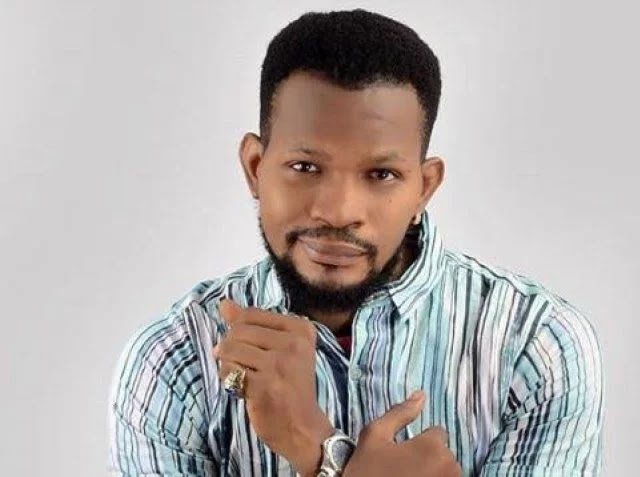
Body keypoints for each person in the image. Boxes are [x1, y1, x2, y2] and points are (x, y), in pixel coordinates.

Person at [108, 9, 604, 476]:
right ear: (255, 168)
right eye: (305, 167)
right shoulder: (175, 362)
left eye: (381, 174)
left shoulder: (534, 347)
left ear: (424, 189)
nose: (340, 210)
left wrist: (314, 445)